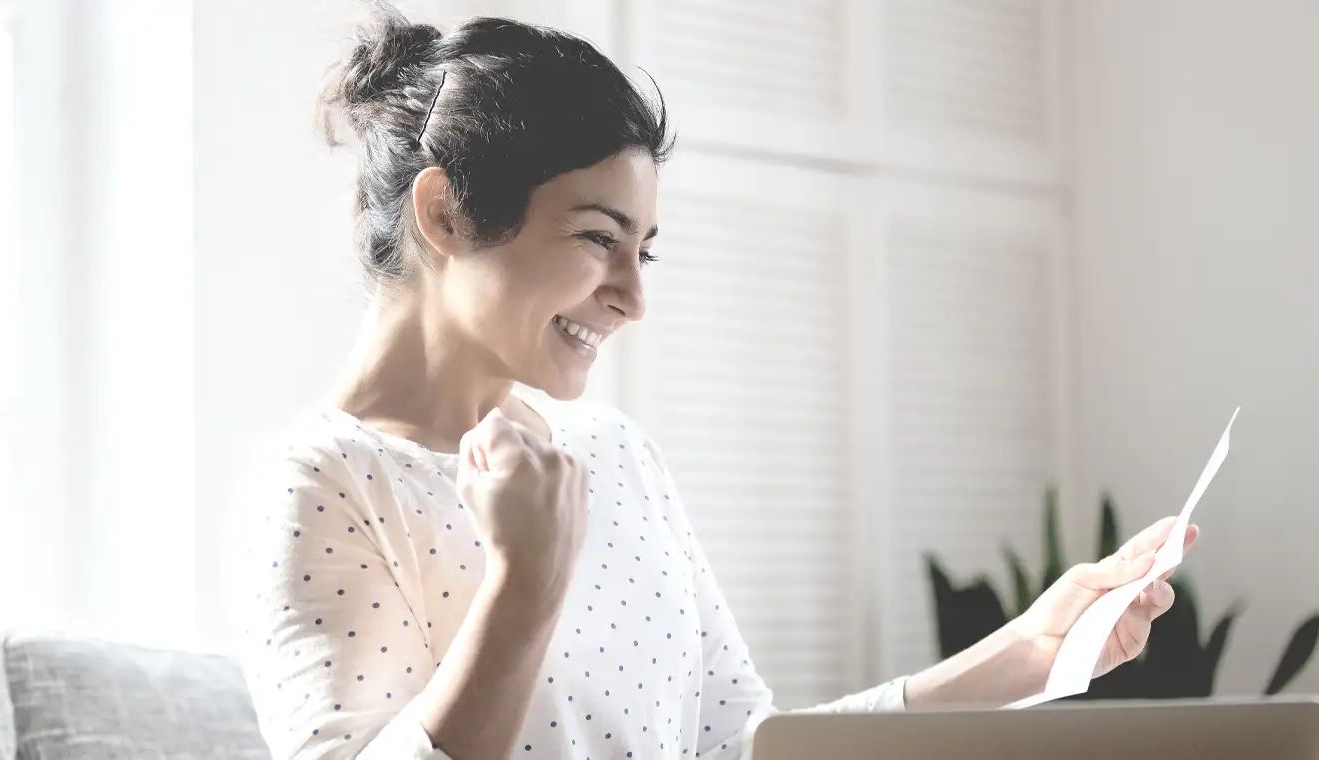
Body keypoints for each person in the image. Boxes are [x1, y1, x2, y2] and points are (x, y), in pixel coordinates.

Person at [226, 7, 1197, 760]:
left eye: (644, 249)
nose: (631, 297)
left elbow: (745, 746)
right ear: (444, 212)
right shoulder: (321, 484)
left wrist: (1027, 653)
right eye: (600, 240)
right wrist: (523, 587)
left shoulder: (609, 455)